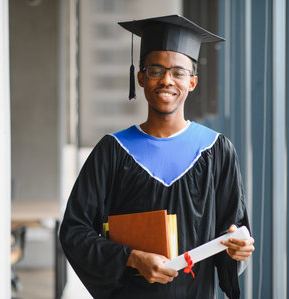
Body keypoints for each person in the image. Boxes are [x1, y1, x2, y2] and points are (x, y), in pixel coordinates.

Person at [59, 15, 255, 299]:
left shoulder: (217, 151)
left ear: (192, 82)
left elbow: (231, 235)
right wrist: (132, 257)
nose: (166, 80)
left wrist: (239, 250)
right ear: (140, 77)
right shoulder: (113, 151)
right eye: (155, 70)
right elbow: (75, 232)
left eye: (178, 72)